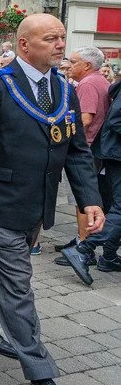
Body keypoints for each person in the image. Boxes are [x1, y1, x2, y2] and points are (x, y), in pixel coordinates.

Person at [0, 13, 104, 385]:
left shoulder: (64, 89)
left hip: (37, 206)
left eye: (62, 38)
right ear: (24, 45)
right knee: (17, 283)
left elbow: (77, 150)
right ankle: (40, 372)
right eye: (51, 39)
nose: (61, 46)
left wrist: (89, 201)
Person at [58, 46, 115, 283]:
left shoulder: (89, 84)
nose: (69, 66)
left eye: (74, 62)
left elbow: (85, 118)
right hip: (95, 149)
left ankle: (83, 244)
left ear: (87, 66)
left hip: (87, 149)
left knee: (83, 199)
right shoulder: (98, 80)